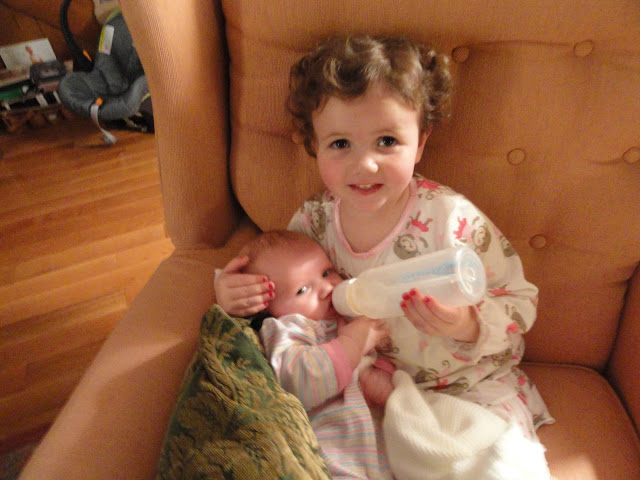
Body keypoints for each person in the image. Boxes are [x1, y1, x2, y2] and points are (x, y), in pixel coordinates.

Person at [215, 34, 554, 477]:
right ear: (314, 145)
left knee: (500, 465)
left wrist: (467, 324)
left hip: (467, 387)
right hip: (363, 392)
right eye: (340, 144)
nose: (365, 164)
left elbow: (520, 302)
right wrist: (232, 294)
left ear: (421, 143)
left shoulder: (451, 220)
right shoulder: (313, 223)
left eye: (387, 141)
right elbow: (279, 293)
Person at [237, 229, 394, 479]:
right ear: (269, 310)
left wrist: (383, 380)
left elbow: (374, 367)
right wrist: (352, 343)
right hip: (334, 456)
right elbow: (299, 380)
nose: (326, 288)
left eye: (326, 272)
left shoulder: (348, 317)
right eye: (302, 290)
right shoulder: (289, 328)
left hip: (384, 453)